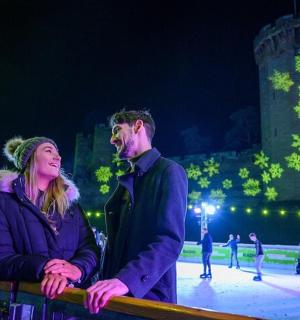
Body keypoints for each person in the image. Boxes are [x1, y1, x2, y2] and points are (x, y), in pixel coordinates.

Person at [85, 109, 188, 314]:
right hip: (112, 298)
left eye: (116, 130)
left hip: (147, 298)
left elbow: (169, 241)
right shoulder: (127, 181)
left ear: (138, 126)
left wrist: (126, 280)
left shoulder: (169, 171)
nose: (112, 140)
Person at [0, 137, 100, 300]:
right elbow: (3, 258)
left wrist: (77, 269)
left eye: (58, 153)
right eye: (48, 150)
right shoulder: (5, 201)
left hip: (69, 305)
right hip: (24, 306)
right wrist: (45, 267)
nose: (58, 157)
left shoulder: (71, 206)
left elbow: (90, 249)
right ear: (29, 159)